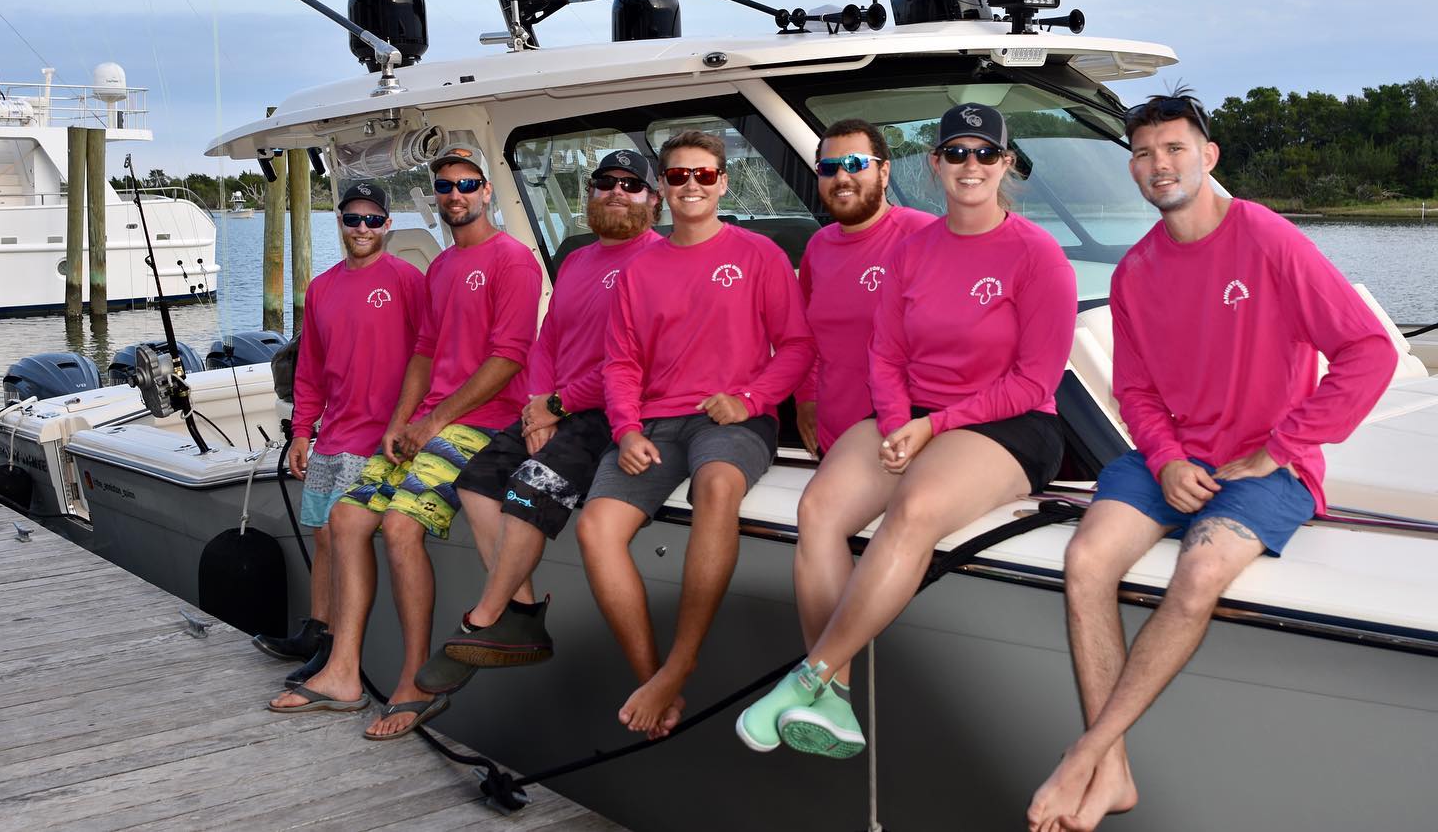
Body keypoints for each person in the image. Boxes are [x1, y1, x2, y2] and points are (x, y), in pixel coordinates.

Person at [1026, 92, 1396, 832]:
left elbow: (1370, 351)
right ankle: (1116, 772)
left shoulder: (1266, 238)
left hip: (1268, 467)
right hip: (1171, 460)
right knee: (1087, 560)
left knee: (1198, 572)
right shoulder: (1135, 273)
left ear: (1207, 156)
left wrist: (1281, 447)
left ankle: (1085, 756)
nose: (1158, 164)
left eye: (1173, 149)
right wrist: (1162, 461)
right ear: (1130, 167)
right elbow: (1135, 390)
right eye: (1143, 153)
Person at [738, 103, 1076, 758]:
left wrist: (930, 428)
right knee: (819, 508)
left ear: (1006, 164)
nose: (970, 165)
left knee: (915, 507)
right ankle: (836, 701)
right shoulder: (913, 249)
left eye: (985, 153)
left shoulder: (1039, 256)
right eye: (956, 153)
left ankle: (809, 676)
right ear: (935, 163)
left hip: (1010, 422)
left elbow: (1035, 382)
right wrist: (896, 423)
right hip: (914, 412)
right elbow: (886, 355)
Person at [269, 144, 541, 741]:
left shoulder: (513, 261)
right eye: (444, 186)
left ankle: (415, 683)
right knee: (344, 520)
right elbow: (423, 352)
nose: (455, 195)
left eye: (467, 184)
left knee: (398, 528)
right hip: (428, 420)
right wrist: (402, 420)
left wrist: (434, 420)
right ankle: (342, 673)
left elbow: (508, 359)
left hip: (483, 423)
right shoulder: (440, 269)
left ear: (488, 190)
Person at [577, 129, 815, 738]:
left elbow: (796, 346)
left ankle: (682, 661)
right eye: (678, 175)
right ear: (662, 186)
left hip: (730, 417)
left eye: (703, 175)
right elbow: (621, 364)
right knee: (596, 528)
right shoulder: (639, 268)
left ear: (723, 183)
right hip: (654, 422)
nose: (690, 186)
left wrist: (751, 398)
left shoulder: (758, 254)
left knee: (715, 488)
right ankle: (654, 675)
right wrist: (626, 430)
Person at [413, 150, 664, 694]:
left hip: (610, 412)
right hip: (555, 408)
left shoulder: (658, 261)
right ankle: (523, 616)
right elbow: (547, 339)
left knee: (530, 487)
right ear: (590, 193)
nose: (617, 192)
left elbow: (632, 360)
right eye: (605, 183)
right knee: (478, 483)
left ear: (653, 199)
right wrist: (537, 405)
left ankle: (483, 618)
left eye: (631, 185)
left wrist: (559, 406)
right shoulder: (576, 260)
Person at [252, 182, 424, 687]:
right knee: (322, 536)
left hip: (381, 436)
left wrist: (415, 422)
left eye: (374, 219)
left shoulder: (408, 279)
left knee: (342, 534)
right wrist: (303, 431)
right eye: (353, 219)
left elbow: (429, 354)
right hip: (334, 434)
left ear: (388, 225)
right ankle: (317, 633)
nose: (363, 228)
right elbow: (310, 373)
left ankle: (335, 654)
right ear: (341, 224)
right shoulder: (322, 289)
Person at [795, 118, 931, 457]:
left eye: (855, 164)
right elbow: (808, 336)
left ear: (884, 173)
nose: (841, 177)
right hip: (833, 437)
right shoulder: (818, 247)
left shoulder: (924, 237)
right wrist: (806, 398)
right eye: (828, 168)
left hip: (908, 435)